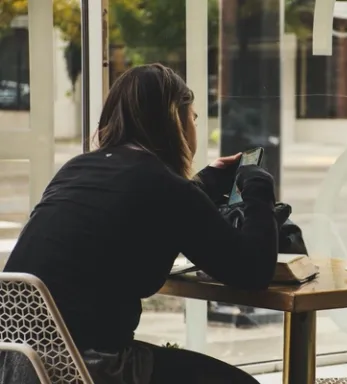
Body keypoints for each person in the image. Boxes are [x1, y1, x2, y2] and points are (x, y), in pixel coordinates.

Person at [0, 63, 278, 384]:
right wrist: (258, 187)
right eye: (193, 117)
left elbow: (139, 207)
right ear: (176, 118)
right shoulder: (166, 188)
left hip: (17, 364)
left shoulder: (77, 169)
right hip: (86, 369)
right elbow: (253, 272)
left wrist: (206, 180)